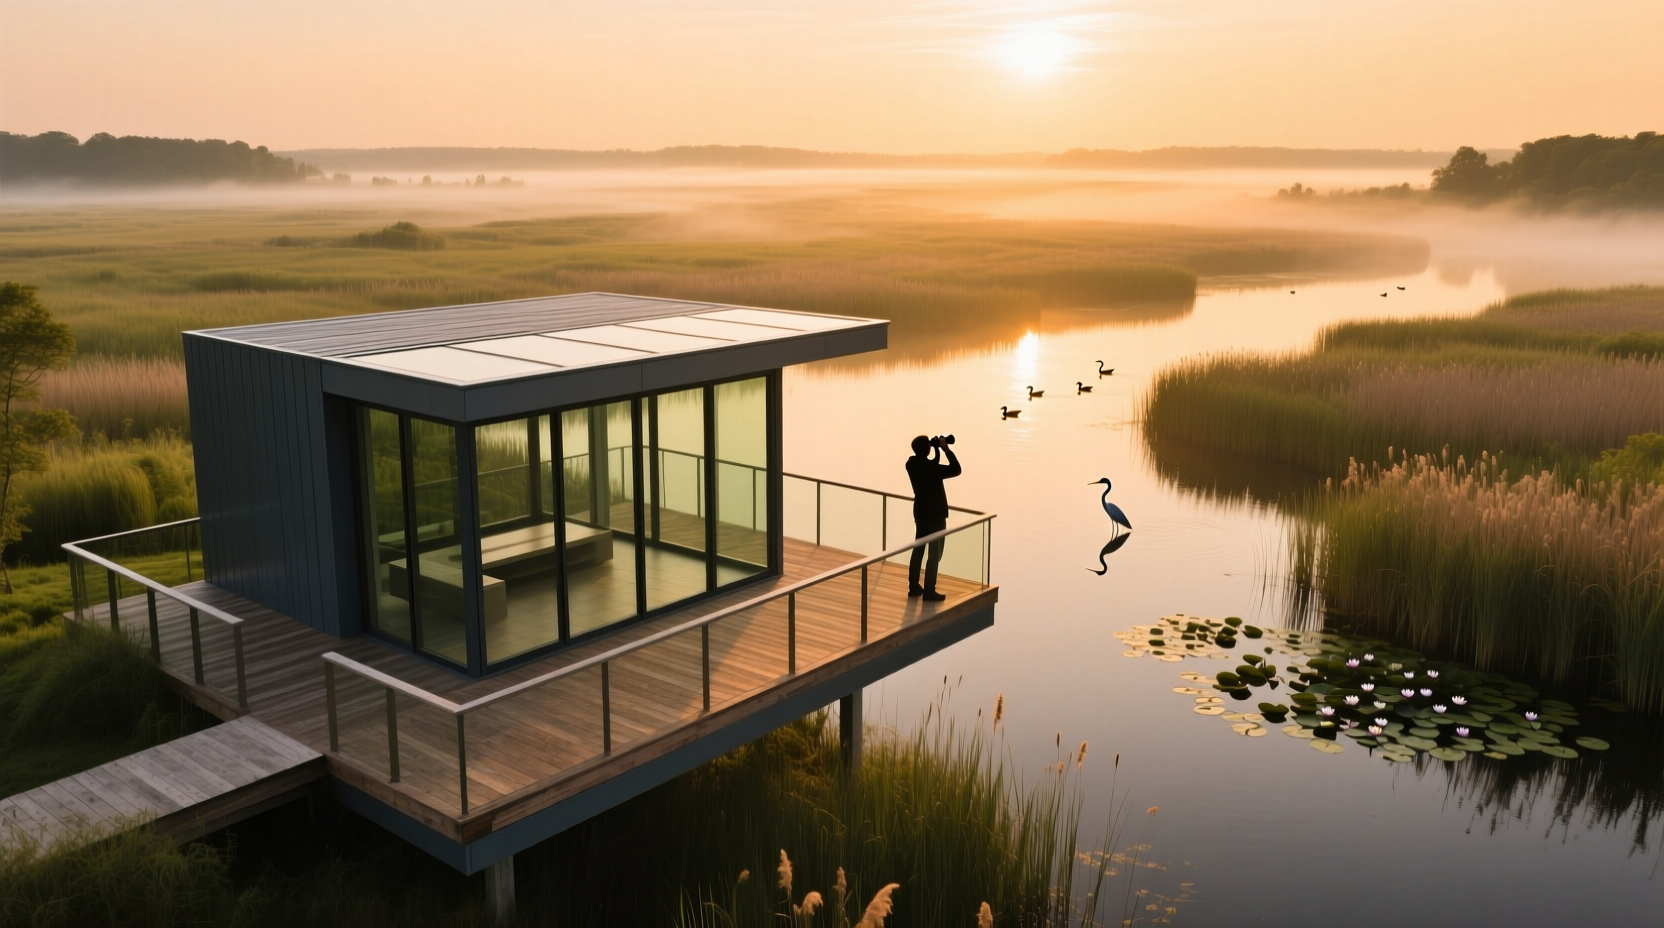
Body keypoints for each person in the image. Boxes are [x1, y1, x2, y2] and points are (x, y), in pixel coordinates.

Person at [905, 435, 961, 601]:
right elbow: (956, 469)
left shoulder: (911, 464)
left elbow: (930, 464)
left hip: (921, 512)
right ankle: (929, 591)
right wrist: (945, 449)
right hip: (936, 515)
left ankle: (914, 587)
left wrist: (935, 450)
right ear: (927, 449)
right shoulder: (932, 469)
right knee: (934, 554)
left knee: (919, 549)